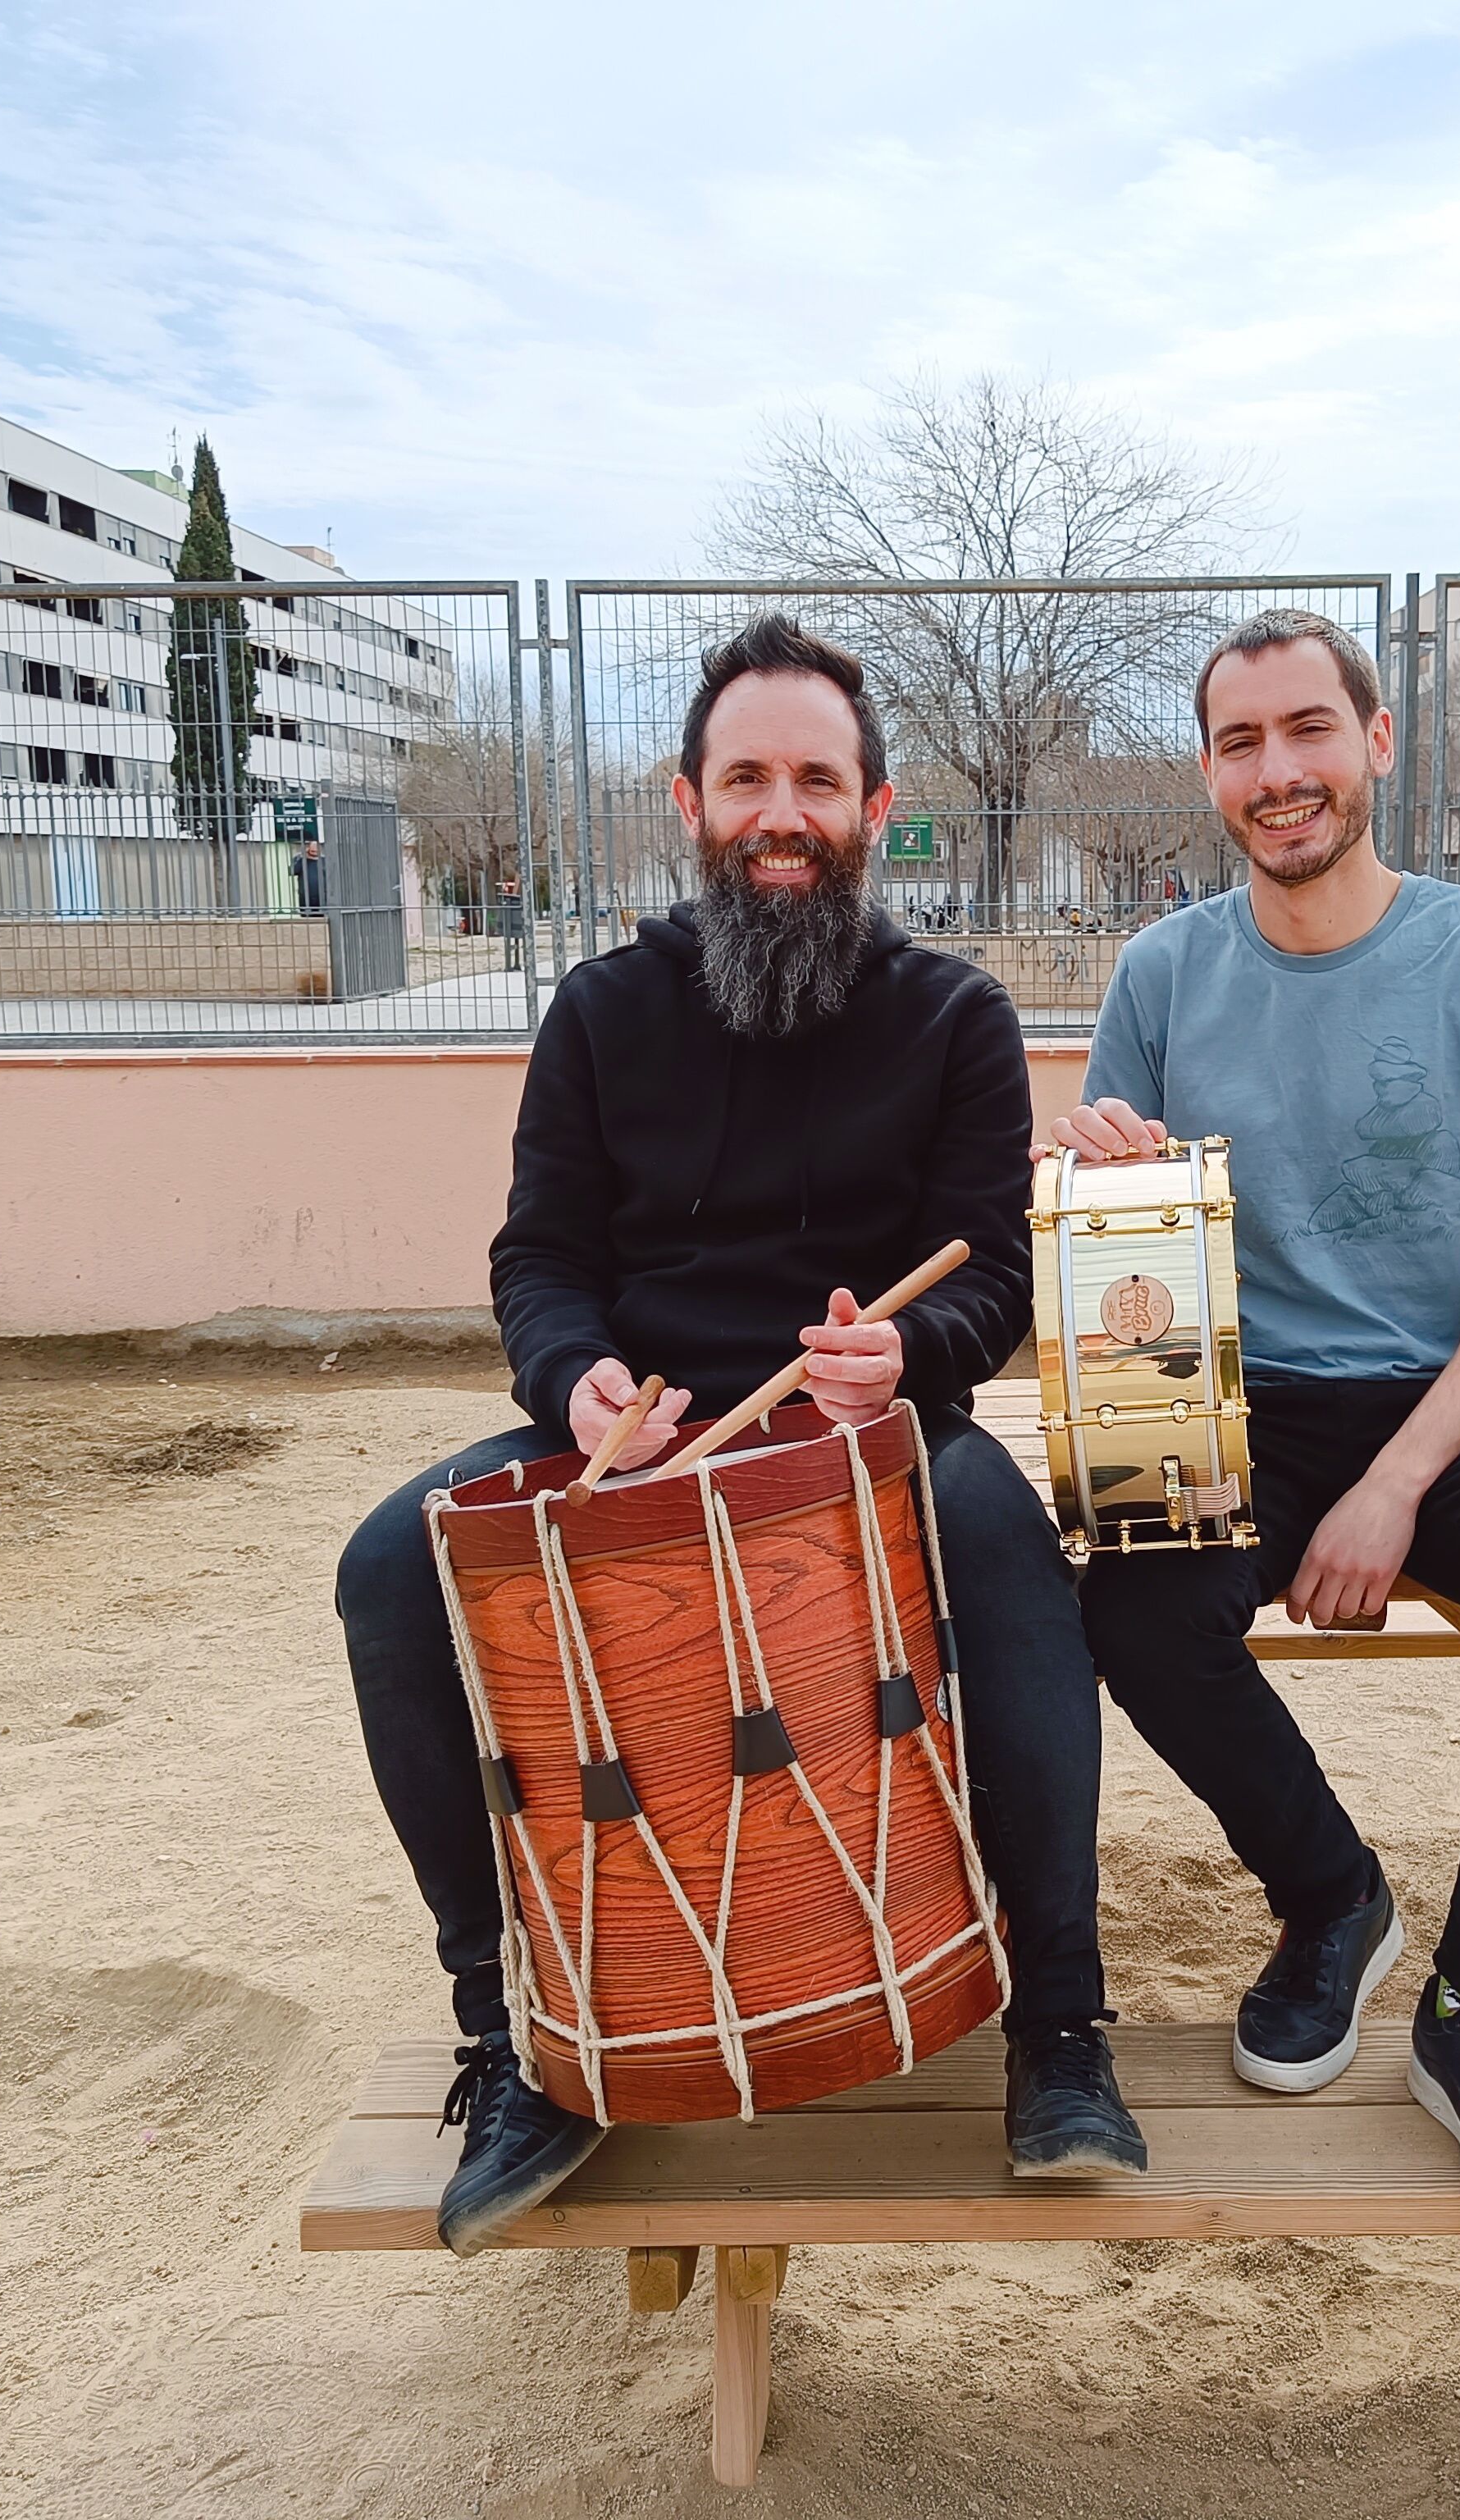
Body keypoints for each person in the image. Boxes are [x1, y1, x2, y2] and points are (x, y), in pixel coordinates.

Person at [339, 615, 1146, 2256]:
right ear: (689, 801)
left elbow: (991, 1271)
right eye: (747, 779)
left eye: (817, 782)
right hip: (633, 1446)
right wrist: (573, 1385)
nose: (783, 812)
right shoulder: (596, 1012)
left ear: (873, 805)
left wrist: (903, 1356)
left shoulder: (953, 1017)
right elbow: (541, 1257)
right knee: (384, 1576)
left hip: (872, 1441)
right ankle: (520, 2045)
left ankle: (1060, 2025)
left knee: (1013, 1563)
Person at [1053, 609, 1460, 2227]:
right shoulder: (1162, 969)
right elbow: (1120, 1259)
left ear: (1376, 741)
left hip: (1437, 1394)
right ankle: (1332, 1898)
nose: (1279, 773)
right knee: (1120, 1594)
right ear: (1209, 771)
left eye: (1306, 731)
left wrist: (1396, 1485)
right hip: (1235, 1401)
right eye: (1242, 743)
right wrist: (1097, 1179)